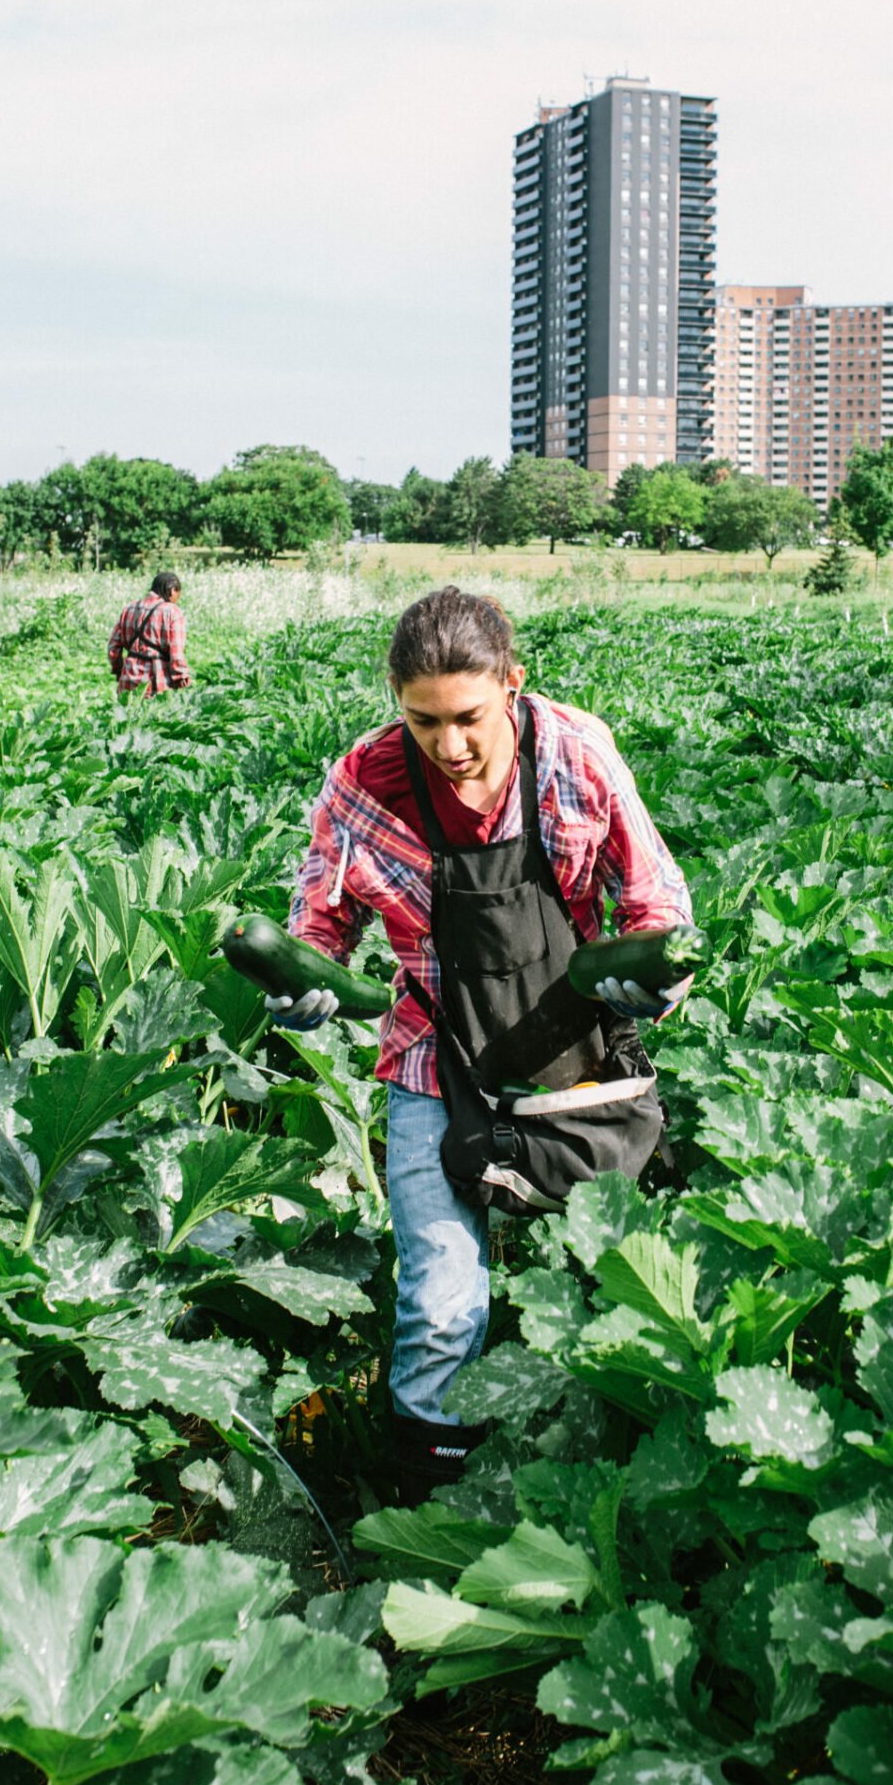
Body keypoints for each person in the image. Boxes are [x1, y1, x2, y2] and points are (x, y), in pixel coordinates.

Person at [271, 586, 693, 1499]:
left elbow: (657, 900)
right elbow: (320, 922)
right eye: (424, 721)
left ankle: (615, 1469)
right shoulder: (366, 780)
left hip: (574, 1049)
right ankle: (435, 1501)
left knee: (616, 1268)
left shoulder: (576, 754)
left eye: (468, 717)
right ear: (396, 702)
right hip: (435, 1053)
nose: (449, 745)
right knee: (441, 1293)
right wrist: (305, 978)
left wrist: (657, 974)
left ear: (512, 683)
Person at [107, 571, 192, 697]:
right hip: (156, 682)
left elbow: (113, 647)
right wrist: (181, 679)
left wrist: (118, 670)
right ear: (172, 590)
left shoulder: (129, 608)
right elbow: (176, 653)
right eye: (177, 595)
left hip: (128, 679)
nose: (176, 600)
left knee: (127, 715)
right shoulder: (172, 612)